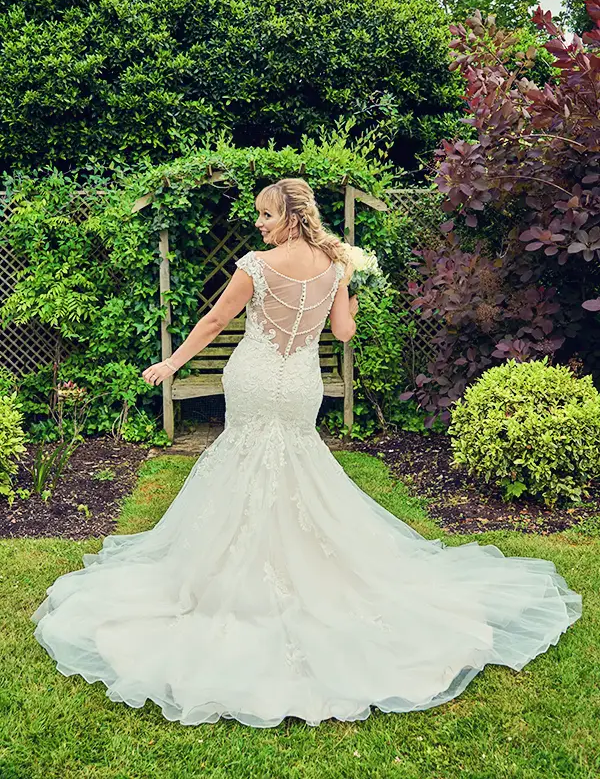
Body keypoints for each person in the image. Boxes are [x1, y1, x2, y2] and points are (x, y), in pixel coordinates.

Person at [30, 178, 582, 729]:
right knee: (297, 466)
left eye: (266, 215)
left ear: (291, 216)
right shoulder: (336, 264)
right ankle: (307, 573)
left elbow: (217, 320)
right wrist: (352, 303)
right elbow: (342, 333)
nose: (259, 224)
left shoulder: (256, 266)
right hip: (300, 383)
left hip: (253, 377)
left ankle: (231, 583)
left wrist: (172, 364)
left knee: (245, 462)